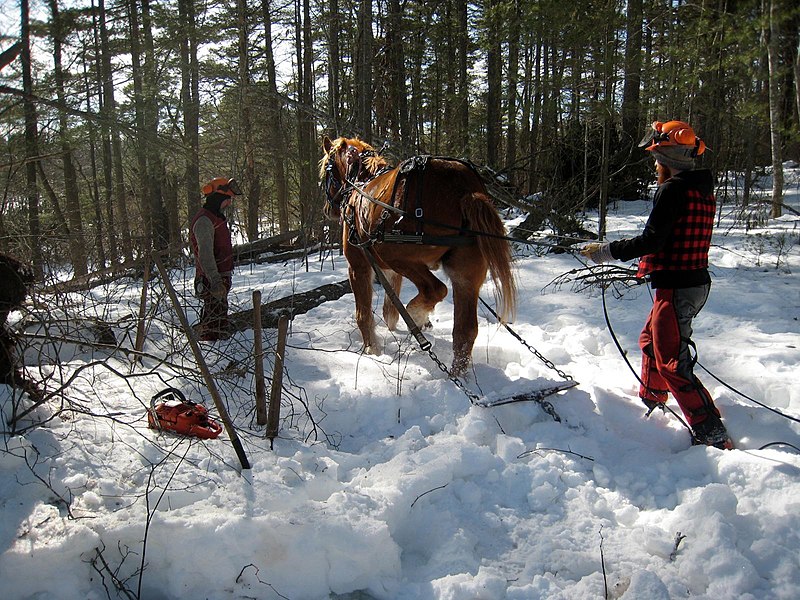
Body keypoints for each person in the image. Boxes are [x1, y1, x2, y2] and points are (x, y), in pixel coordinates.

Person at [581, 120, 733, 450]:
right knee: (651, 339)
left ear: (670, 159)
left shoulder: (672, 190)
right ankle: (653, 397)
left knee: (672, 361)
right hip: (692, 285)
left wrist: (606, 251)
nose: (654, 164)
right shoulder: (700, 189)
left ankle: (710, 430)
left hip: (678, 288)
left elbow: (653, 240)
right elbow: (670, 239)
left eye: (657, 157)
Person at [190, 177, 241, 341]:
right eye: (227, 200)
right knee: (213, 328)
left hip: (219, 278)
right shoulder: (205, 221)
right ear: (218, 198)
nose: (228, 204)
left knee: (218, 320)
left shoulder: (216, 218)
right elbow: (205, 255)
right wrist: (215, 280)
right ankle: (211, 358)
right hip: (211, 280)